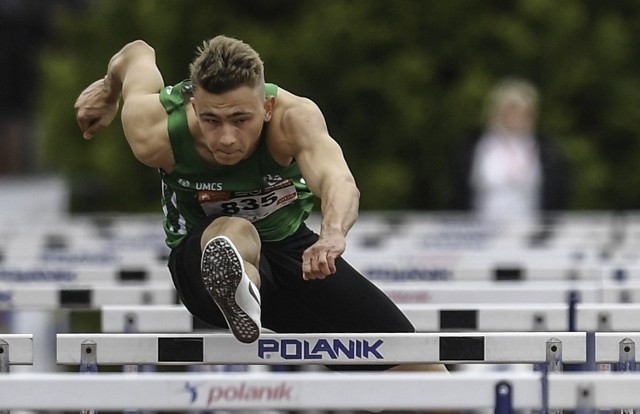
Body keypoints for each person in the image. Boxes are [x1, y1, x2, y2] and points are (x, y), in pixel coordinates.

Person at [74, 35, 446, 373]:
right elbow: (137, 53)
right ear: (193, 103)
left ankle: (246, 293)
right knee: (235, 231)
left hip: (293, 257)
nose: (227, 138)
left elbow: (337, 179)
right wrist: (109, 90)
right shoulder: (155, 129)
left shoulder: (293, 118)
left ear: (266, 107)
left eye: (241, 119)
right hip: (200, 263)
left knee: (423, 374)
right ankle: (238, 286)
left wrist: (331, 235)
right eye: (211, 120)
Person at [450, 78, 571, 225]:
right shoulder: (474, 146)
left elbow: (557, 191)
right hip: (480, 232)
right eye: (510, 110)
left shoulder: (546, 149)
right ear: (496, 111)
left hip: (531, 232)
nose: (515, 117)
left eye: (521, 111)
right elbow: (459, 189)